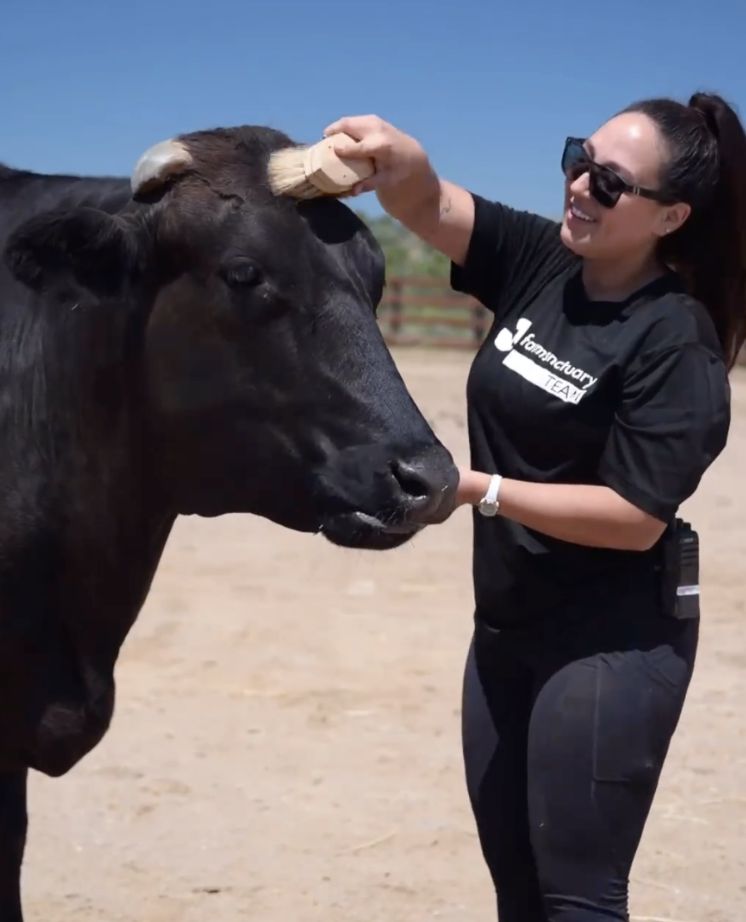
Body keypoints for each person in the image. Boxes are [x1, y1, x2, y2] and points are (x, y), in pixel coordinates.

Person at [323, 92, 746, 922]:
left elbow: (636, 515)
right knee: (517, 892)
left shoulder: (674, 339)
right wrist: (400, 159)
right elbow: (436, 205)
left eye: (611, 183)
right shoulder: (545, 262)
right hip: (508, 625)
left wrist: (479, 490)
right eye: (577, 160)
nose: (580, 188)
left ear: (672, 218)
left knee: (578, 901)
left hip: (610, 643)